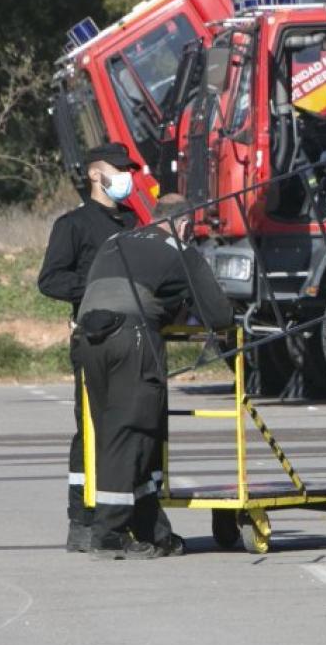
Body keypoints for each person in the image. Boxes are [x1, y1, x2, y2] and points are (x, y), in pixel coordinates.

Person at [74, 210, 233, 560]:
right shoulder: (180, 249)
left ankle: (150, 530)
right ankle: (109, 533)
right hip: (131, 338)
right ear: (185, 226)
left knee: (121, 434)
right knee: (132, 433)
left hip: (88, 337)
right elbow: (219, 315)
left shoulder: (114, 241)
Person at [37, 142, 140, 552]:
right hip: (94, 339)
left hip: (135, 339)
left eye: (127, 169)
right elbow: (50, 279)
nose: (125, 176)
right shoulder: (74, 225)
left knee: (133, 429)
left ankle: (131, 517)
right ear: (96, 174)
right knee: (93, 429)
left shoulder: (134, 222)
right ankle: (81, 520)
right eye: (117, 169)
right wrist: (97, 289)